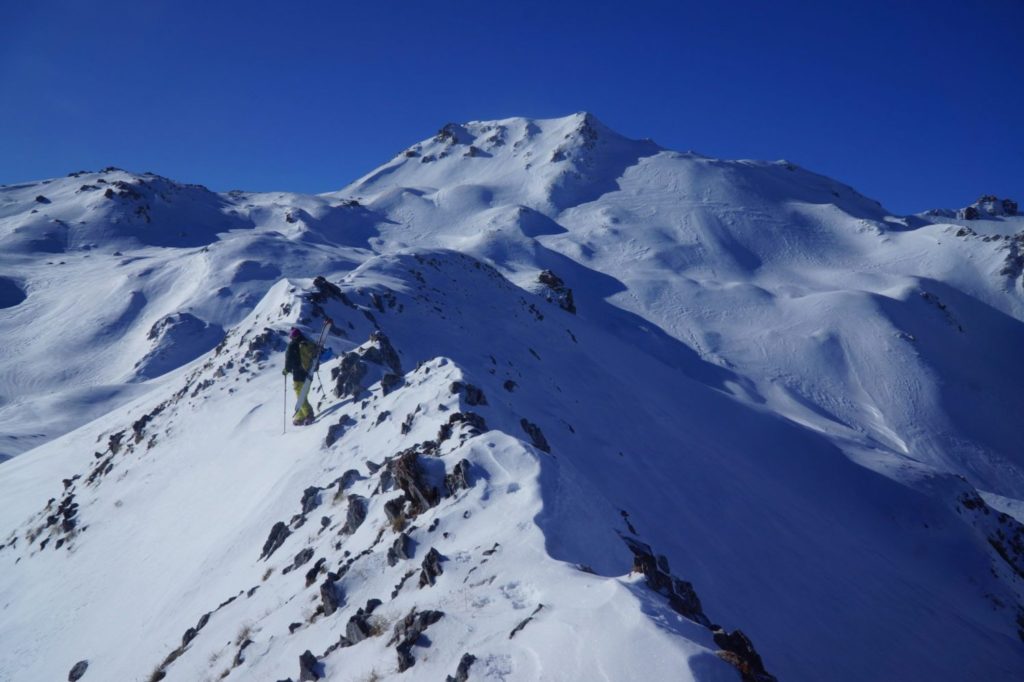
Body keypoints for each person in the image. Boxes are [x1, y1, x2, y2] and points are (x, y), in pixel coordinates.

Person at [283, 327, 319, 425]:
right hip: (309, 373)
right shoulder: (307, 343)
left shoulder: (292, 345)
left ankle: (308, 414)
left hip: (298, 375)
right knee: (303, 394)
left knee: (300, 395)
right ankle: (300, 416)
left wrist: (286, 370)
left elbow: (288, 360)